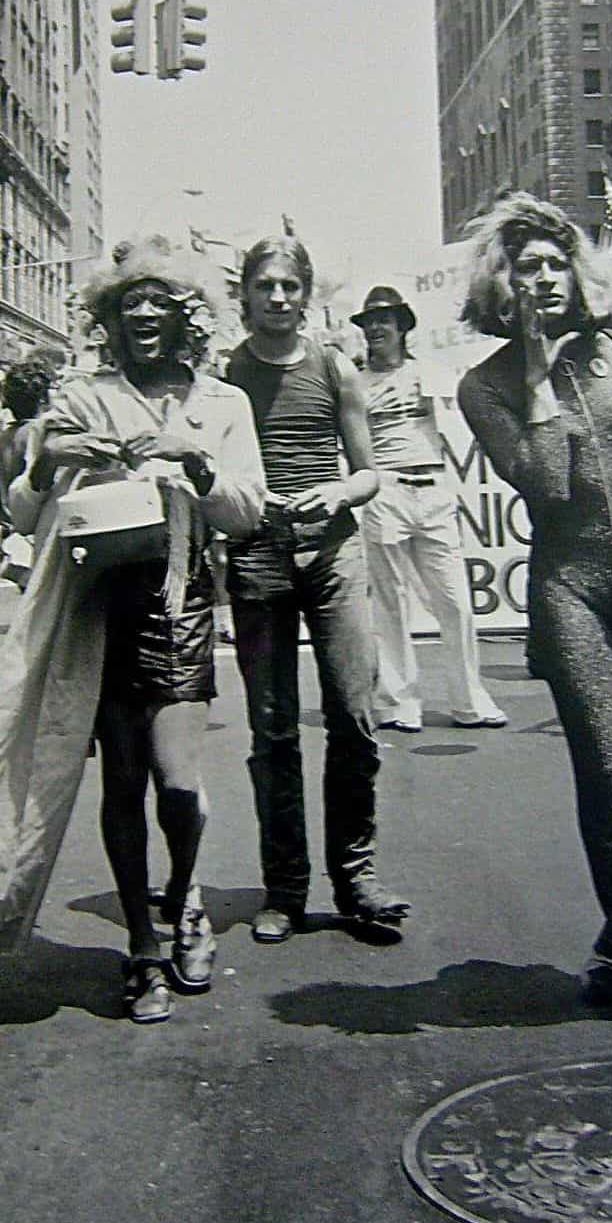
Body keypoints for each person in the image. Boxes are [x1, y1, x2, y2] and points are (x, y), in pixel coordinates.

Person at [0, 235, 266, 1024]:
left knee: (178, 782)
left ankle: (184, 903)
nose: (143, 314)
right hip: (98, 607)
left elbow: (249, 511)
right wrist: (49, 462)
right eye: (127, 304)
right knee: (122, 782)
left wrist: (198, 462)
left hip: (180, 598)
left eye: (159, 303)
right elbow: (22, 511)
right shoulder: (81, 397)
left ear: (186, 317)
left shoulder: (221, 404)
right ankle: (143, 948)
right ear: (110, 319)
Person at [457, 195, 612, 1040]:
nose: (543, 279)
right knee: (610, 768)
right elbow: (545, 483)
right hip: (569, 589)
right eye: (526, 267)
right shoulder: (481, 386)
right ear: (500, 282)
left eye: (555, 264)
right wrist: (538, 375)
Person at [225, 234, 410, 944]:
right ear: (243, 293)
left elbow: (369, 473)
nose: (277, 298)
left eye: (290, 286)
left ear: (306, 294)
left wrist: (337, 490)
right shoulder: (227, 375)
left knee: (354, 717)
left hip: (333, 554)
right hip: (259, 556)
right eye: (265, 285)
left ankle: (355, 877)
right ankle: (285, 887)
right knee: (271, 730)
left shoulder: (335, 367)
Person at [352, 282, 506, 733]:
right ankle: (399, 702)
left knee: (455, 601)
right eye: (370, 321)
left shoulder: (433, 373)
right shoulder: (354, 383)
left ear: (403, 327)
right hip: (386, 491)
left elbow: (466, 417)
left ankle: (470, 699)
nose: (377, 328)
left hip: (432, 487)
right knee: (390, 603)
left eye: (386, 320)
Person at [0, 356, 57, 590]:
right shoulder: (39, 434)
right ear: (43, 397)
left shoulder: (3, 439)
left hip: (13, 531)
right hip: (38, 533)